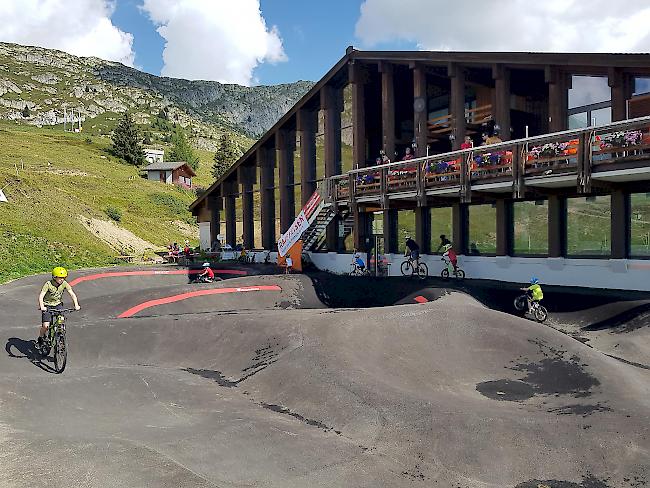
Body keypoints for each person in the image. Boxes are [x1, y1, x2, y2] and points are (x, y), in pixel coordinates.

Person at [37, 267, 80, 349]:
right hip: (47, 305)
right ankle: (41, 337)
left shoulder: (64, 284)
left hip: (57, 304)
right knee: (46, 326)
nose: (62, 279)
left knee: (61, 320)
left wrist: (76, 305)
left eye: (64, 277)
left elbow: (72, 294)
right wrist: (42, 306)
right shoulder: (48, 284)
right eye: (60, 278)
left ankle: (60, 334)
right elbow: (41, 296)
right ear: (54, 277)